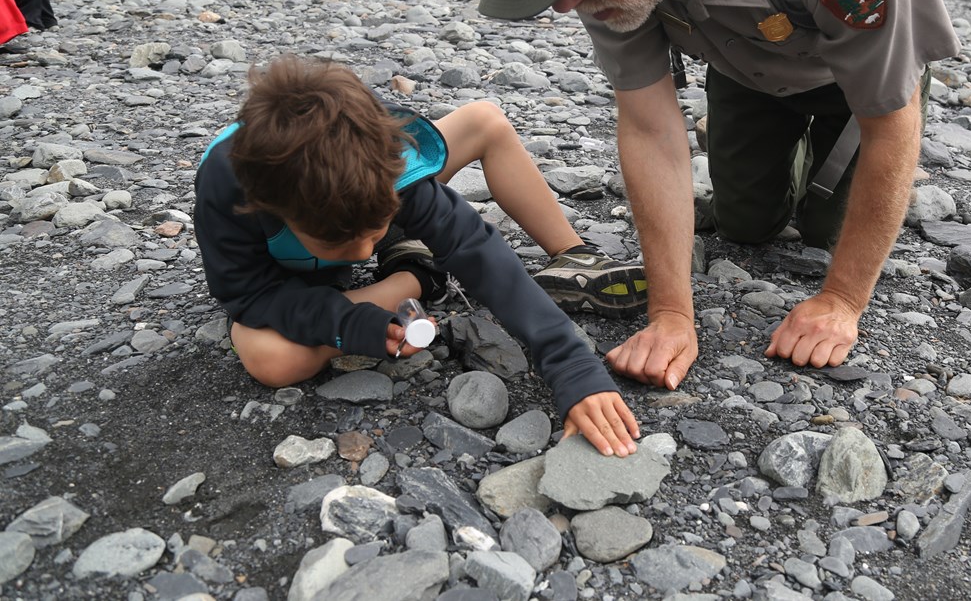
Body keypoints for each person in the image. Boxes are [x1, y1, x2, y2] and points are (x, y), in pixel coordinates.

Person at [476, 0, 962, 391]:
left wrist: (841, 300)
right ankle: (792, 163)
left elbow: (892, 117)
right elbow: (650, 124)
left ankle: (823, 173)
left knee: (828, 234)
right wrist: (672, 315)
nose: (565, 2)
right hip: (745, 63)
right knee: (746, 225)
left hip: (854, 77)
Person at [194, 54, 645, 456]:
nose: (363, 253)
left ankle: (572, 253)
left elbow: (476, 249)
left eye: (375, 234)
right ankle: (412, 276)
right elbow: (248, 296)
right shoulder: (228, 191)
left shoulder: (387, 165)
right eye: (343, 245)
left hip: (383, 198)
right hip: (290, 281)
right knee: (272, 360)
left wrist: (571, 364)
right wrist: (349, 324)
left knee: (485, 119)